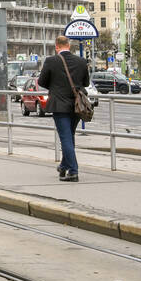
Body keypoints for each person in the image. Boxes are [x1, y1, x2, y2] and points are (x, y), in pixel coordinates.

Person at [37, 35, 91, 183]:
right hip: (77, 106)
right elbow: (85, 82)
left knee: (65, 138)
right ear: (69, 45)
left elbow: (42, 81)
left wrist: (55, 87)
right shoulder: (81, 61)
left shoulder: (51, 61)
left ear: (56, 46)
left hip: (59, 105)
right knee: (70, 136)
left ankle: (73, 171)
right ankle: (63, 166)